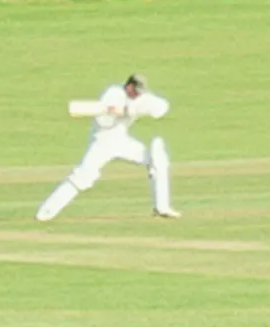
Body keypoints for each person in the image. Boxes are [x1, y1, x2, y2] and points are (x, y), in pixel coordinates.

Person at [37, 75, 177, 221]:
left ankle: (161, 207)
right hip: (102, 141)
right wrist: (116, 112)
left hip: (122, 140)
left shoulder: (141, 98)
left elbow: (162, 107)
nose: (138, 95)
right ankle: (46, 212)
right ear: (129, 86)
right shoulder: (114, 93)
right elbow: (103, 121)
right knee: (83, 177)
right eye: (136, 92)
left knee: (157, 158)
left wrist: (130, 110)